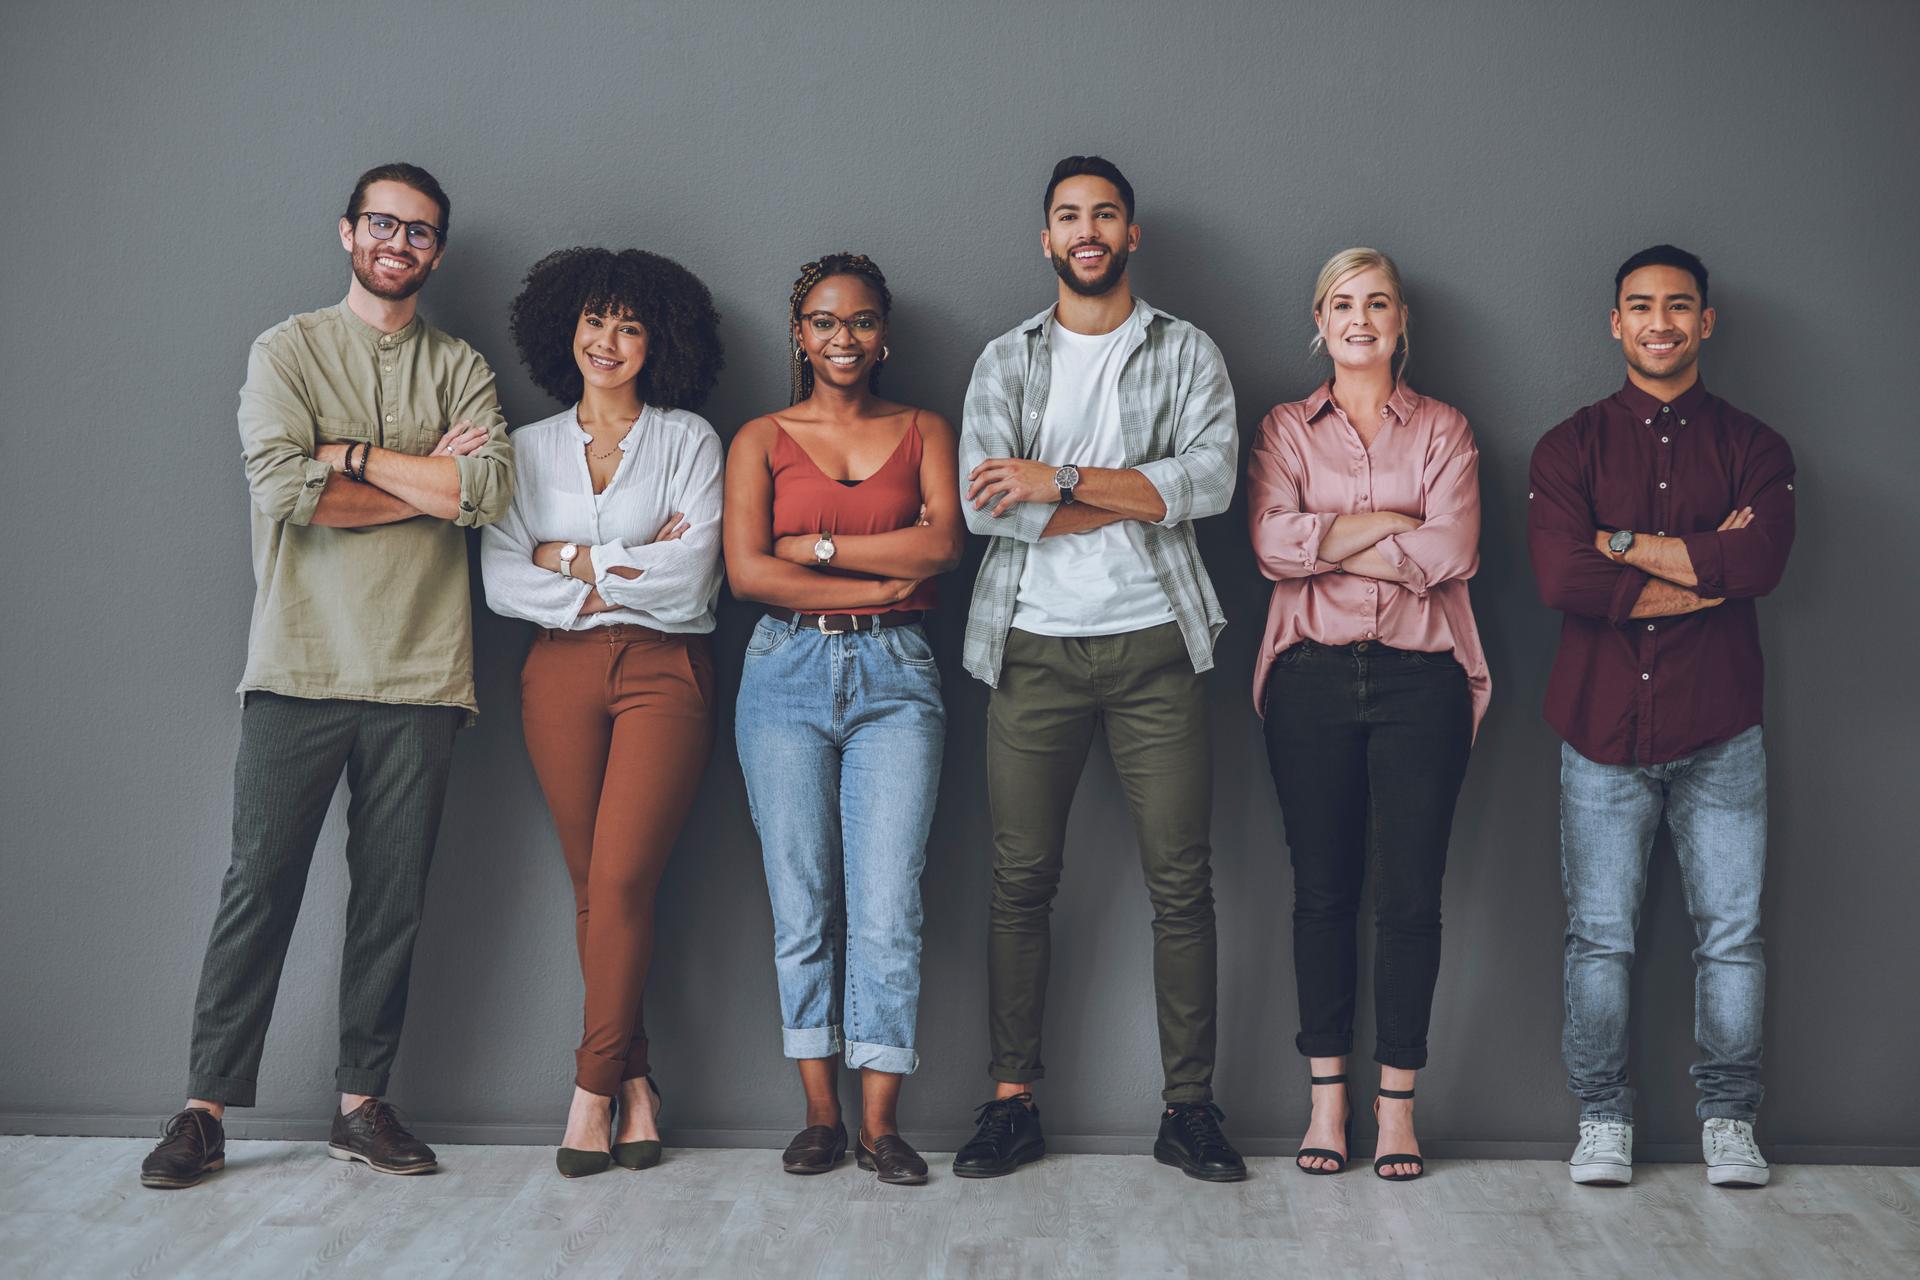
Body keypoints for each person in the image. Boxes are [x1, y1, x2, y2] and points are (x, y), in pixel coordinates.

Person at [140, 163, 514, 1189]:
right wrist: (411, 476)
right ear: (348, 230)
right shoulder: (287, 350)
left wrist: (350, 455)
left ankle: (361, 1105)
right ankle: (204, 1110)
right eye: (383, 222)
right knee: (257, 885)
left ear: (436, 251)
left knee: (392, 899)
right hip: (299, 663)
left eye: (421, 231)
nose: (399, 241)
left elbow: (481, 492)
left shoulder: (461, 364)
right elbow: (286, 486)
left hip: (425, 673)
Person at [951, 155, 1244, 1182]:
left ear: (1131, 233)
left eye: (1105, 214)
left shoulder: (1186, 350)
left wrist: (1060, 477)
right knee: (1019, 878)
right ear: (1046, 238)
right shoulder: (1005, 360)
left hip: (1157, 641)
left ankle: (1190, 1108)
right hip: (1031, 645)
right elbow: (987, 504)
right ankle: (1011, 1100)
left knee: (1182, 880)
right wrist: (1128, 490)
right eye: (1069, 215)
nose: (1087, 230)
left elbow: (1208, 481)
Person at [1528, 244, 1794, 1189]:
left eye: (1678, 306)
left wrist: (1627, 548)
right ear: (1615, 322)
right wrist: (1701, 566)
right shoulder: (1568, 446)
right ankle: (1603, 1118)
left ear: (1706, 321)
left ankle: (1728, 1118)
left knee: (1732, 937)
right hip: (1598, 732)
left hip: (1722, 729)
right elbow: (1563, 577)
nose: (1660, 323)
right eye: (1640, 306)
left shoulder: (1757, 448)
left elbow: (1759, 567)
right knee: (1599, 938)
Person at [481, 247, 725, 1178]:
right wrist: (624, 564)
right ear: (565, 329)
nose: (609, 341)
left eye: (629, 325)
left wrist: (571, 557)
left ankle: (588, 1090)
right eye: (595, 321)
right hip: (559, 677)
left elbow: (693, 575)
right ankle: (638, 1085)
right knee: (588, 887)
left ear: (656, 339)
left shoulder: (690, 440)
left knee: (621, 882)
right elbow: (502, 577)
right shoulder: (529, 447)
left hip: (666, 674)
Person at [1248, 248, 1489, 1181]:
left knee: (1409, 899)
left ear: (1399, 322)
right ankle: (1327, 1102)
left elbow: (1453, 548)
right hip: (1308, 678)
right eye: (1343, 303)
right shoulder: (1283, 427)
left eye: (1377, 302)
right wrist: (1395, 524)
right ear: (1320, 319)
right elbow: (1272, 545)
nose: (1360, 319)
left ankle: (1396, 1110)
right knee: (1321, 893)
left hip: (1421, 681)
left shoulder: (1444, 428)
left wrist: (1329, 542)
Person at [723, 253, 963, 1185]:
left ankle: (882, 1122)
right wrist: (866, 562)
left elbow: (942, 545)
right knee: (801, 900)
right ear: (800, 335)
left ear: (884, 334)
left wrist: (813, 545)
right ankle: (820, 1114)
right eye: (825, 322)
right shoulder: (760, 438)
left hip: (898, 679)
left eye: (861, 321)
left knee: (889, 906)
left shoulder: (923, 429)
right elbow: (749, 573)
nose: (843, 338)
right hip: (784, 669)